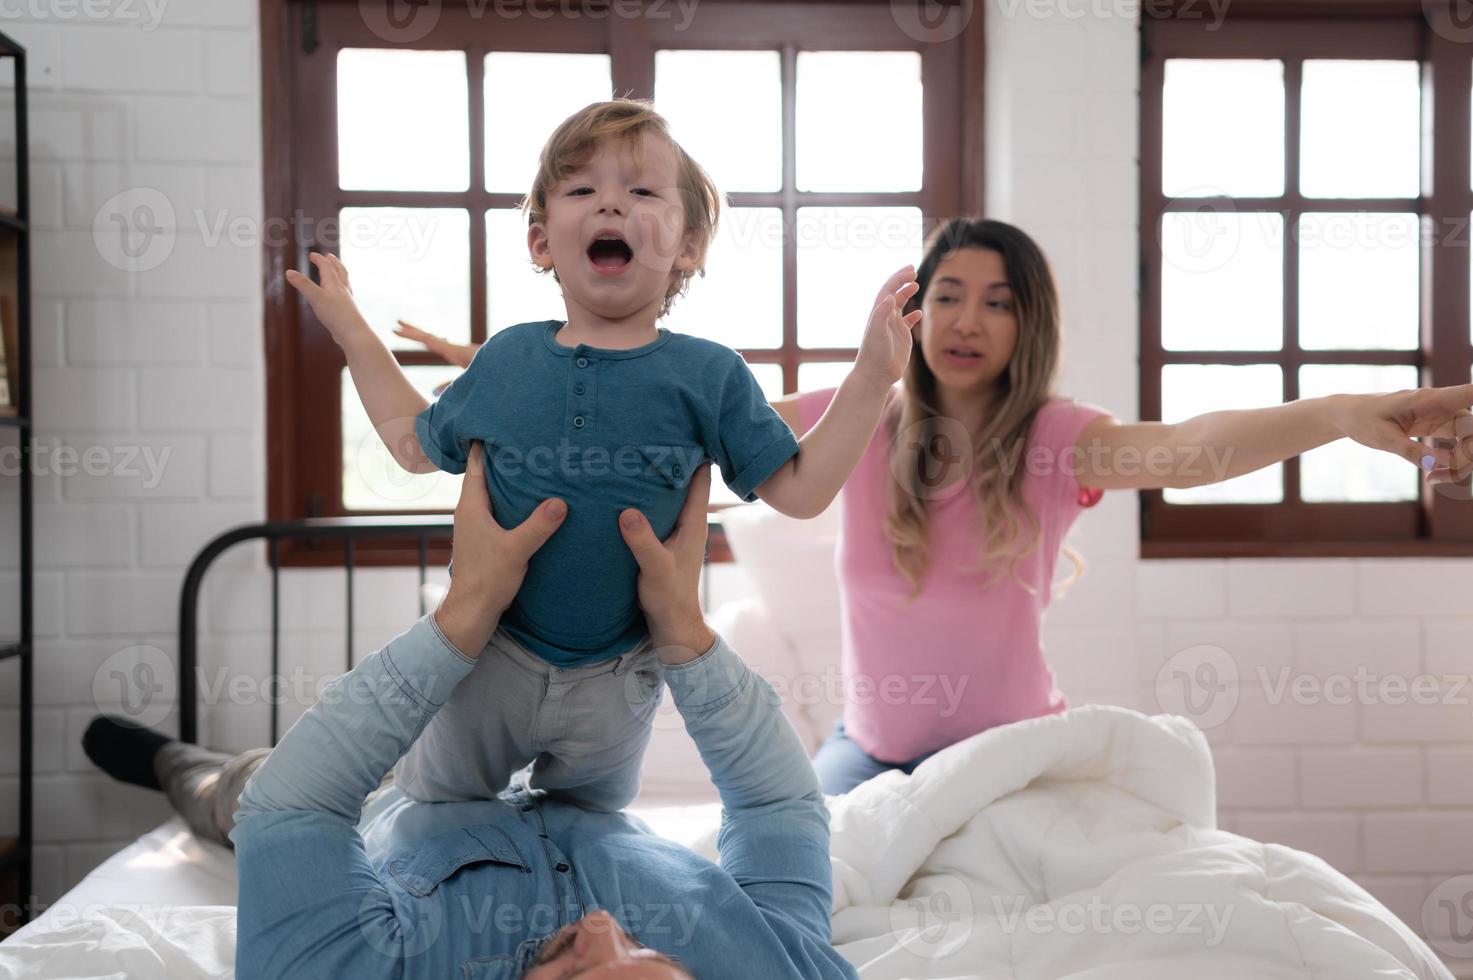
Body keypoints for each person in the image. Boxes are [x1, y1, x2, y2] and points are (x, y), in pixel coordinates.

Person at [284, 98, 917, 812]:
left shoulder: (709, 377)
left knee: (585, 838)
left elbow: (798, 491)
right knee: (433, 818)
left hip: (619, 681)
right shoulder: (507, 360)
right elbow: (411, 443)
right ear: (540, 242)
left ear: (689, 246)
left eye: (641, 191)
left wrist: (870, 378)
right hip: (488, 658)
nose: (610, 203)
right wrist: (349, 328)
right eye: (583, 190)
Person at [85, 446, 859, 980]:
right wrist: (684, 632)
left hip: (393, 796)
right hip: (558, 773)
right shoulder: (772, 967)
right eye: (652, 960)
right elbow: (778, 805)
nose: (598, 930)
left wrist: (466, 614)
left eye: (571, 969)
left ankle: (175, 763)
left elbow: (294, 808)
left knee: (239, 793)